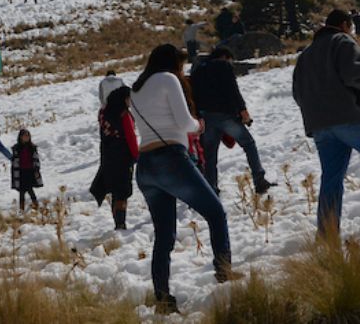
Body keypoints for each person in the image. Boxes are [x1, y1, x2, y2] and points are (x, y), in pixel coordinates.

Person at [130, 44, 235, 313]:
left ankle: (163, 299)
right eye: (181, 65)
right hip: (171, 158)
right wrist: (199, 125)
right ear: (172, 63)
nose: (182, 70)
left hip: (145, 166)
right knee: (215, 212)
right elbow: (183, 121)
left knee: (164, 236)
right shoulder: (168, 79)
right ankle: (224, 273)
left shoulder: (136, 89)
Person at [292, 10, 360, 235]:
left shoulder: (306, 54)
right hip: (347, 117)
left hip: (318, 125)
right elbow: (353, 75)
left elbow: (297, 93)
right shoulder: (343, 41)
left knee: (331, 177)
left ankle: (328, 233)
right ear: (344, 25)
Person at [193, 47, 274, 195]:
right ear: (225, 57)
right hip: (225, 115)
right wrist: (243, 112)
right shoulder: (223, 66)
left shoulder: (198, 69)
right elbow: (233, 90)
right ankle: (259, 180)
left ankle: (211, 188)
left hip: (206, 117)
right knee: (248, 144)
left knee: (210, 156)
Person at [89, 85, 138, 229]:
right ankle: (121, 223)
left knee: (114, 189)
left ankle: (117, 221)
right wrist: (136, 155)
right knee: (122, 191)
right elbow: (130, 136)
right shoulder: (124, 115)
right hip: (123, 156)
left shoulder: (103, 113)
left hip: (107, 155)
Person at [11, 129, 43, 211]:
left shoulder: (32, 147)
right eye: (24, 136)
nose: (26, 137)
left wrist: (36, 170)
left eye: (27, 136)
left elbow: (36, 160)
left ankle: (36, 206)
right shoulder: (16, 148)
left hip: (30, 172)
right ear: (20, 137)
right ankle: (22, 210)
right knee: (21, 192)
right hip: (21, 172)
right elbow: (14, 162)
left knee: (30, 189)